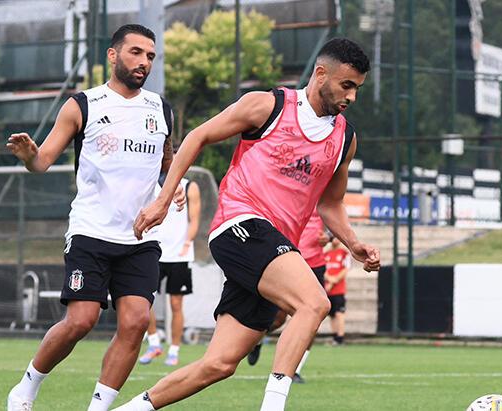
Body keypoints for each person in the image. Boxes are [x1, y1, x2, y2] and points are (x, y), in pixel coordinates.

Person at [117, 37, 379, 411]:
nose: (351, 96)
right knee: (313, 302)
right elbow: (198, 136)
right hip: (240, 223)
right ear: (321, 74)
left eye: (358, 89)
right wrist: (163, 198)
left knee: (219, 364)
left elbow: (330, 202)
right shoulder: (268, 106)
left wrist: (353, 244)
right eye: (347, 85)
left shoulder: (345, 139)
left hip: (274, 249)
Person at [5, 24, 183, 411]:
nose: (144, 62)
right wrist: (30, 156)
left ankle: (98, 408)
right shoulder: (83, 105)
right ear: (113, 55)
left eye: (150, 56)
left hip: (140, 238)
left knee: (136, 323)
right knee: (80, 321)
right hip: (91, 232)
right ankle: (26, 388)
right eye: (136, 52)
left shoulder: (162, 109)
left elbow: (168, 162)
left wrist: (174, 186)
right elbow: (42, 161)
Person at [246, 209, 330, 385]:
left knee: (313, 317)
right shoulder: (289, 197)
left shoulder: (324, 197)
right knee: (278, 319)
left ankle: (295, 371)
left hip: (315, 263)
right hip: (286, 259)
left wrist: (328, 237)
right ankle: (257, 340)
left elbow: (335, 220)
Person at [139, 174, 201, 366]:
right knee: (144, 300)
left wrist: (187, 243)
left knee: (176, 304)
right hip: (155, 252)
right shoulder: (150, 182)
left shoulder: (189, 186)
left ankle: (174, 351)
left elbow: (194, 219)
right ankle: (154, 343)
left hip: (179, 256)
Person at [324, 236, 350, 345]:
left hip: (339, 289)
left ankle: (340, 337)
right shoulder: (326, 253)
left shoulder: (344, 253)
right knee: (332, 314)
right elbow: (323, 269)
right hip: (327, 290)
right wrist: (329, 279)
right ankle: (335, 337)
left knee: (340, 313)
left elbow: (345, 269)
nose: (336, 240)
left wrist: (333, 281)